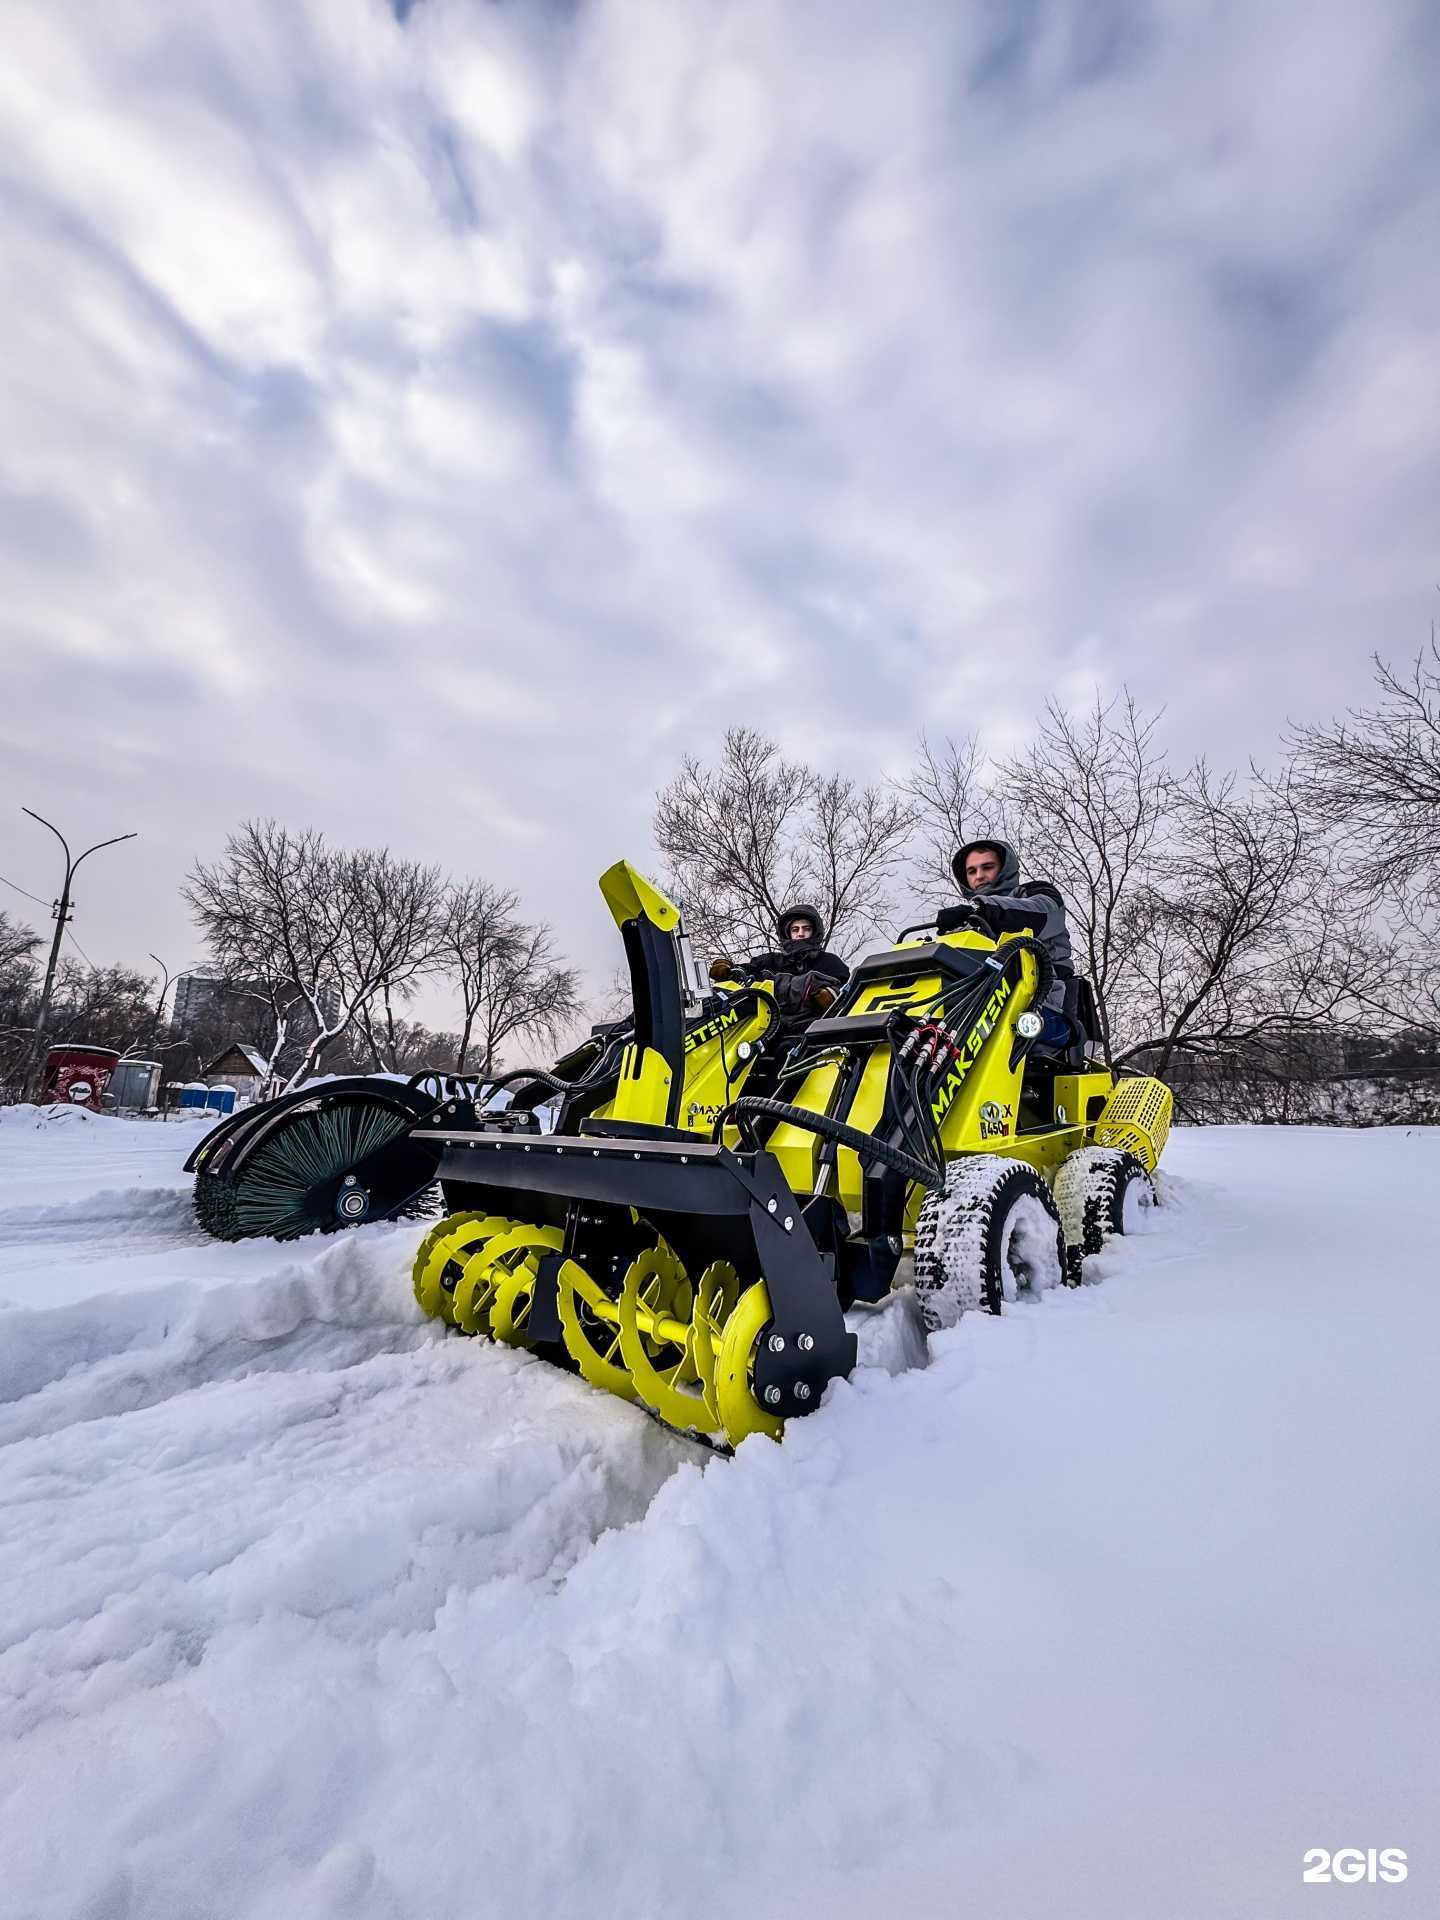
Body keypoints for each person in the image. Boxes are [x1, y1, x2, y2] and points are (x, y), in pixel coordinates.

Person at [936, 841, 1073, 1045]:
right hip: (976, 1006)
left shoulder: (1038, 895)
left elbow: (1039, 912)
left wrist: (981, 909)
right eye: (971, 871)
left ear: (1004, 869)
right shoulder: (966, 923)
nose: (979, 876)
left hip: (1044, 1010)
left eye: (987, 867)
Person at [727, 903, 849, 1020]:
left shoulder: (830, 962)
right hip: (767, 1027)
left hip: (813, 1029)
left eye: (806, 929)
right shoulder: (770, 961)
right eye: (795, 929)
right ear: (788, 934)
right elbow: (743, 972)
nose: (800, 934)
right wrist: (726, 968)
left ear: (814, 932)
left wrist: (828, 994)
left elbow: (844, 991)